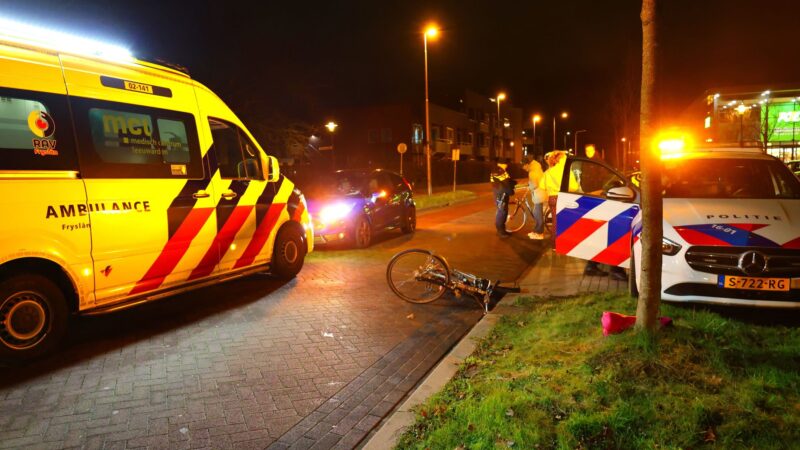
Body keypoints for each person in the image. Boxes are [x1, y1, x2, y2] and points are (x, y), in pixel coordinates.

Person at [539, 151, 578, 247]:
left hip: (552, 198)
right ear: (560, 160)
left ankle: (554, 245)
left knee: (555, 222)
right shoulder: (566, 171)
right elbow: (574, 187)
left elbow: (541, 186)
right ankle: (564, 243)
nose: (566, 160)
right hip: (564, 198)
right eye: (564, 158)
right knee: (566, 221)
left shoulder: (548, 172)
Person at [522, 157, 545, 240]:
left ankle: (539, 233)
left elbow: (534, 184)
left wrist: (530, 186)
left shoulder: (532, 172)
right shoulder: (536, 168)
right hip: (540, 193)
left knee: (537, 214)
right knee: (536, 213)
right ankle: (536, 231)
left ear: (527, 165)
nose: (523, 168)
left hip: (539, 194)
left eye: (523, 166)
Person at [490, 163, 515, 238]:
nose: (506, 166)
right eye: (505, 164)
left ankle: (502, 230)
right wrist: (511, 191)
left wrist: (512, 182)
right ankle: (500, 231)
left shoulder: (497, 171)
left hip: (500, 194)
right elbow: (506, 183)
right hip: (501, 195)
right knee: (502, 213)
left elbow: (505, 181)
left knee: (503, 212)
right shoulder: (500, 171)